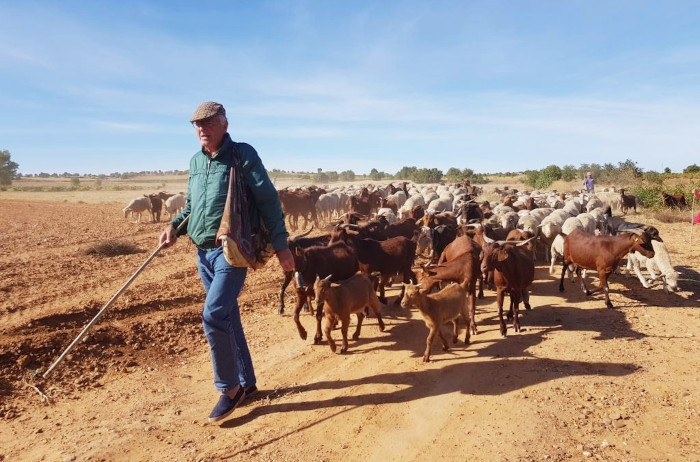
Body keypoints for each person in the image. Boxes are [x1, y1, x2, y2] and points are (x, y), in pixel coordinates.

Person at [159, 101, 295, 423]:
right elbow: (193, 205)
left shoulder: (242, 155)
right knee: (228, 316)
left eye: (208, 123)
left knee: (213, 315)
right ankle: (247, 384)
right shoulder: (195, 161)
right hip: (202, 251)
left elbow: (268, 200)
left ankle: (229, 389)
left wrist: (282, 245)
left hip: (231, 250)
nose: (202, 130)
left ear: (224, 124)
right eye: (197, 125)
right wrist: (174, 227)